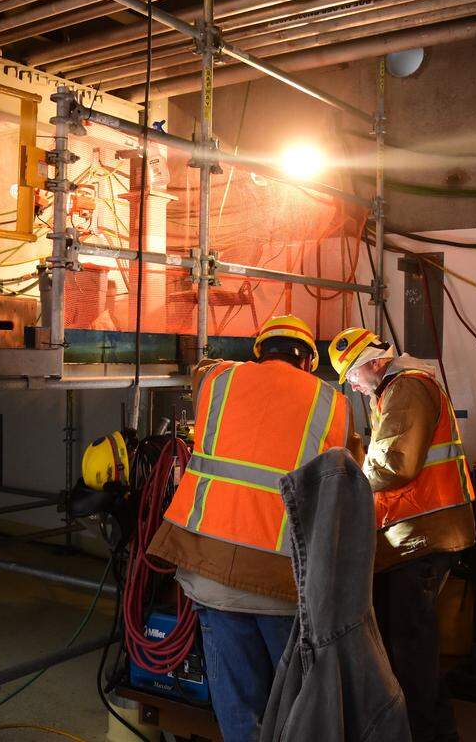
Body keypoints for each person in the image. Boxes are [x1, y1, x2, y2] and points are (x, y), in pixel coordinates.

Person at [148, 314, 350, 742]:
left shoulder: (218, 380)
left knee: (238, 702)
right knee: (295, 703)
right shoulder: (332, 401)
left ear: (259, 352)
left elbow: (201, 368)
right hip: (281, 577)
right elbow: (340, 485)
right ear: (310, 361)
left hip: (211, 568)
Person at [329, 327, 476, 742]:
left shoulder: (407, 389)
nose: (353, 386)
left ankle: (428, 734)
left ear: (374, 364)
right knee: (405, 646)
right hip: (412, 538)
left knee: (411, 651)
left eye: (353, 376)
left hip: (423, 537)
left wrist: (343, 480)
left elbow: (395, 464)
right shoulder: (392, 392)